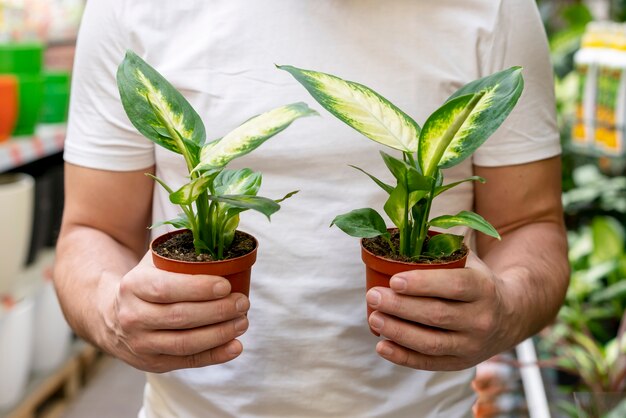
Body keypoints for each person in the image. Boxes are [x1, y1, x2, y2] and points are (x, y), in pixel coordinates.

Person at [54, 1, 570, 417]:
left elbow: (531, 226)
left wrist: (504, 310)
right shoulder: (130, 8)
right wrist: (112, 313)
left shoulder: (497, 9)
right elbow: (92, 231)